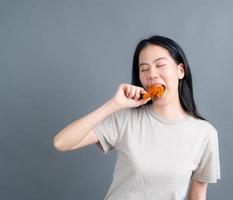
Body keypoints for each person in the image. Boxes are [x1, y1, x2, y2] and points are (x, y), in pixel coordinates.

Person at [53, 35, 221, 200]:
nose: (152, 74)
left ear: (180, 71)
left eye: (160, 65)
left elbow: (197, 196)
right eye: (144, 69)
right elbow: (61, 143)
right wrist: (113, 105)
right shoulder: (125, 119)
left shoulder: (205, 134)